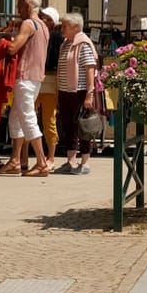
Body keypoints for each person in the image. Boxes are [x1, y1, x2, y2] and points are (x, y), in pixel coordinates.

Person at [0, 0, 51, 176]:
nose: (18, 11)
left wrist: (1, 41)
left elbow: (13, 48)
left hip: (25, 76)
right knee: (16, 118)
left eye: (19, 7)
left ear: (27, 6)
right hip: (35, 77)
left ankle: (41, 162)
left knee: (27, 118)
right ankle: (15, 160)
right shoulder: (44, 26)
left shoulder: (28, 24)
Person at [55, 11, 100, 174]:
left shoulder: (83, 44)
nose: (62, 29)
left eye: (65, 26)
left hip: (79, 92)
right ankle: (71, 161)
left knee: (83, 127)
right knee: (68, 127)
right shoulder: (65, 44)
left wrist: (89, 94)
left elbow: (90, 69)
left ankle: (85, 163)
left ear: (75, 27)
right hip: (65, 91)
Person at [37, 5, 62, 159]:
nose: (43, 20)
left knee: (48, 120)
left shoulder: (57, 36)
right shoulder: (38, 32)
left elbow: (59, 62)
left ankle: (51, 157)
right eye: (42, 17)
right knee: (30, 119)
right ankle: (26, 155)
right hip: (38, 79)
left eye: (46, 18)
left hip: (49, 80)